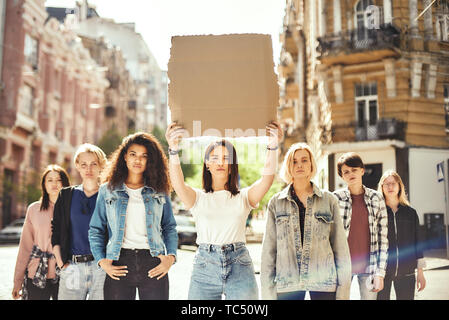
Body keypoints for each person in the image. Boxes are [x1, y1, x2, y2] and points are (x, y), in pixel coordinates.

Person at [165, 121, 283, 300]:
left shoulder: (244, 197)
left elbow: (267, 179)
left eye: (226, 158)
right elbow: (178, 183)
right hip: (205, 266)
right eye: (214, 158)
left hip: (239, 265)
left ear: (232, 166)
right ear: (207, 164)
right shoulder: (197, 198)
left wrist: (273, 146)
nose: (220, 162)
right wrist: (173, 149)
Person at [89, 132, 177, 300]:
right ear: (124, 157)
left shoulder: (159, 190)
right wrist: (102, 261)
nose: (138, 160)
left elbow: (169, 227)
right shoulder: (107, 190)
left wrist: (171, 257)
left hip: (153, 262)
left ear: (150, 160)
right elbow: (95, 229)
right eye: (133, 154)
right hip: (119, 261)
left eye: (144, 156)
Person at [261, 143, 351, 300]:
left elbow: (341, 249)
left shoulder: (329, 200)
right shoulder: (276, 203)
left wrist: (343, 292)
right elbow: (269, 251)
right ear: (288, 166)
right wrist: (268, 293)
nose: (299, 165)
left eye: (304, 160)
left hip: (324, 280)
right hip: (288, 281)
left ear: (311, 164)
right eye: (294, 161)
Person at [51, 144, 108, 300]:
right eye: (84, 164)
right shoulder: (66, 195)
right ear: (77, 166)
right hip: (72, 267)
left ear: (101, 166)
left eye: (93, 164)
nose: (88, 169)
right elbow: (55, 231)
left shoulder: (108, 195)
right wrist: (61, 263)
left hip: (101, 268)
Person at [333, 152, 388, 300]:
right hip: (341, 267)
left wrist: (380, 273)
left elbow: (383, 238)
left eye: (354, 170)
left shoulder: (377, 198)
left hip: (370, 266)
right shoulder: (335, 199)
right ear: (342, 176)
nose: (351, 174)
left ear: (362, 170)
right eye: (346, 172)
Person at [12, 165, 70, 300]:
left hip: (64, 272)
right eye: (49, 180)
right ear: (44, 184)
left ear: (65, 183)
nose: (54, 184)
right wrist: (17, 282)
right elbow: (25, 248)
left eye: (58, 180)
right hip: (36, 271)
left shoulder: (72, 209)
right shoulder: (34, 209)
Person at [377, 170, 426, 300]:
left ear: (400, 186)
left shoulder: (410, 213)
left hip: (407, 272)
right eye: (386, 184)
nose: (390, 187)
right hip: (382, 273)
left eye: (393, 183)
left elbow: (418, 243)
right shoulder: (377, 212)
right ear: (381, 187)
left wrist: (420, 272)